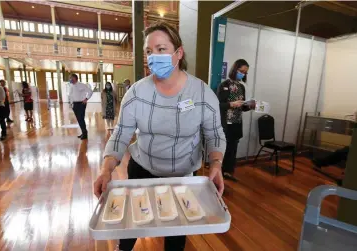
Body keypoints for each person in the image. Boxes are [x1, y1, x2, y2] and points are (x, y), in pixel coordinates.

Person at [94, 22, 226, 251]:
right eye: (149, 51)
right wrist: (106, 169)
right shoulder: (137, 92)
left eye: (161, 49)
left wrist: (216, 164)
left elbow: (214, 134)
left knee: (176, 233)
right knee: (131, 225)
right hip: (142, 170)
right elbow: (121, 133)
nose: (153, 56)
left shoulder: (202, 93)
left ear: (179, 53)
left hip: (183, 177)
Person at [217, 59, 255, 182]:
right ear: (235, 69)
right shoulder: (225, 85)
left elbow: (242, 107)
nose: (243, 74)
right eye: (241, 71)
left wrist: (249, 106)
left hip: (237, 123)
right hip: (226, 124)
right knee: (224, 149)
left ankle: (229, 171)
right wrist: (231, 104)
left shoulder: (241, 87)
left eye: (245, 73)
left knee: (233, 149)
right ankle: (219, 173)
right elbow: (219, 105)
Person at [68, 73, 93, 140]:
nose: (70, 79)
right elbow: (70, 95)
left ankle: (85, 134)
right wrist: (71, 104)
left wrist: (86, 99)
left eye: (71, 78)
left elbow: (90, 91)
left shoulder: (82, 85)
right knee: (79, 119)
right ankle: (83, 132)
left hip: (81, 104)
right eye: (70, 78)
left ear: (75, 78)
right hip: (75, 104)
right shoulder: (71, 86)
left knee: (81, 118)